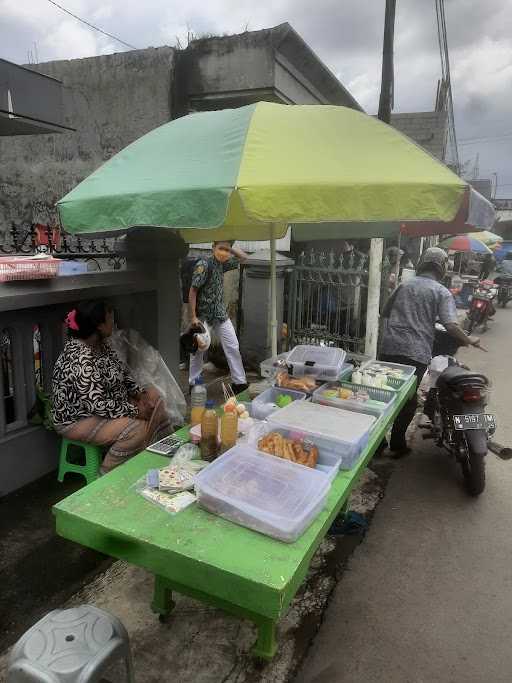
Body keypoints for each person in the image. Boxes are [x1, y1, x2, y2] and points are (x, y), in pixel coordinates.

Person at [379, 247, 480, 458]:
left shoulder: (404, 285)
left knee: (384, 396)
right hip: (415, 353)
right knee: (408, 401)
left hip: (389, 348)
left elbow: (385, 312)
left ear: (423, 263)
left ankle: (378, 445)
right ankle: (397, 444)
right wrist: (469, 340)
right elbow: (451, 325)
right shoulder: (441, 292)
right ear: (442, 267)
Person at [52, 301, 171, 474]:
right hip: (77, 419)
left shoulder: (100, 345)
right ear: (99, 326)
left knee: (154, 396)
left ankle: (162, 451)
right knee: (136, 429)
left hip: (107, 404)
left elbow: (121, 372)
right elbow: (97, 405)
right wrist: (136, 411)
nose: (113, 324)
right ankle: (107, 474)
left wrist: (140, 395)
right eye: (109, 320)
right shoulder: (80, 357)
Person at [188, 241, 248, 392]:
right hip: (203, 315)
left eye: (226, 250)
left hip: (220, 313)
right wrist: (193, 317)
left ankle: (239, 383)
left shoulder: (222, 264)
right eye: (221, 248)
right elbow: (193, 291)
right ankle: (194, 382)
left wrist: (231, 248)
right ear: (213, 247)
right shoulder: (204, 264)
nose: (224, 252)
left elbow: (243, 258)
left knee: (233, 346)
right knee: (198, 349)